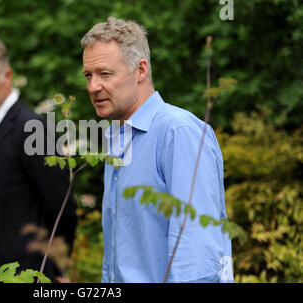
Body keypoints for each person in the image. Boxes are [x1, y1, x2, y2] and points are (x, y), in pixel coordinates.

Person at [81, 17, 233, 282]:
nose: (93, 87)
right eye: (88, 75)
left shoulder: (178, 133)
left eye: (105, 74)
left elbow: (196, 258)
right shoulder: (116, 138)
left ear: (141, 70)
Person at [0, 35, 77, 281]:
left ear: (7, 77)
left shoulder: (33, 128)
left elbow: (61, 207)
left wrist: (58, 268)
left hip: (21, 275)